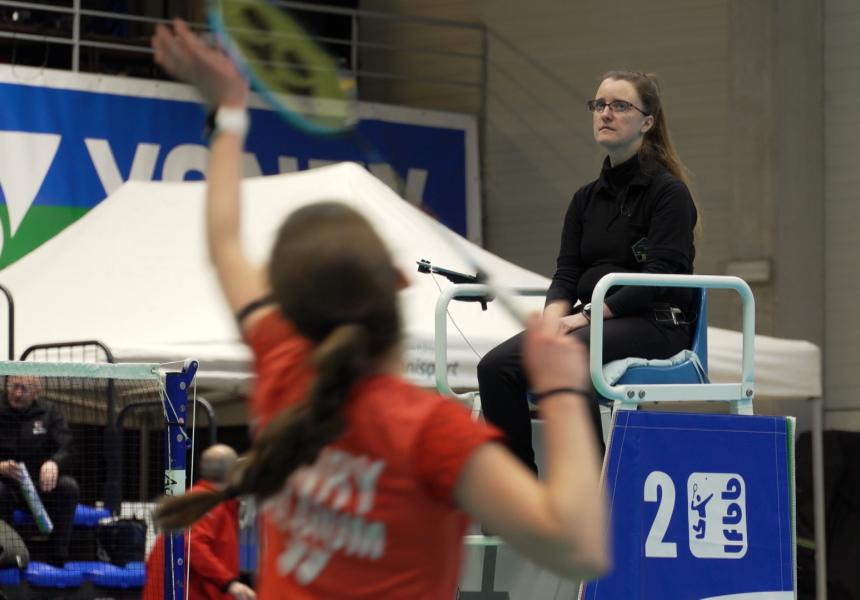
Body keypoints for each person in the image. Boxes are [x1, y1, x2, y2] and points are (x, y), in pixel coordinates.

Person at [148, 19, 608, 600]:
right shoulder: (431, 434)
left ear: (288, 308)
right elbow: (581, 548)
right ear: (396, 282)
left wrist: (229, 112)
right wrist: (564, 391)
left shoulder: (285, 376)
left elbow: (222, 244)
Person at [477, 70, 700, 474]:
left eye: (619, 105)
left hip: (657, 322)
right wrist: (551, 323)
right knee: (495, 368)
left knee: (572, 354)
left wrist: (580, 320)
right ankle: (520, 494)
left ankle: (593, 498)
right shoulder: (585, 200)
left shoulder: (669, 194)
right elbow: (566, 273)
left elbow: (658, 277)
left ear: (647, 122)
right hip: (591, 320)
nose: (605, 113)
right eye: (599, 105)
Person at [142, 445, 256, 600]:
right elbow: (192, 544)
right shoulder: (209, 505)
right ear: (232, 473)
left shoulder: (201, 499)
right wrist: (229, 583)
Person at [0, 375, 79, 565]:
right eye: (13, 387)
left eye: (24, 389)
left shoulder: (50, 412)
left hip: (38, 486)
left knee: (68, 487)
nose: (17, 393)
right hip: (5, 486)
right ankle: (6, 556)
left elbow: (67, 446)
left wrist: (54, 463)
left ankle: (57, 558)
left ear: (36, 393)